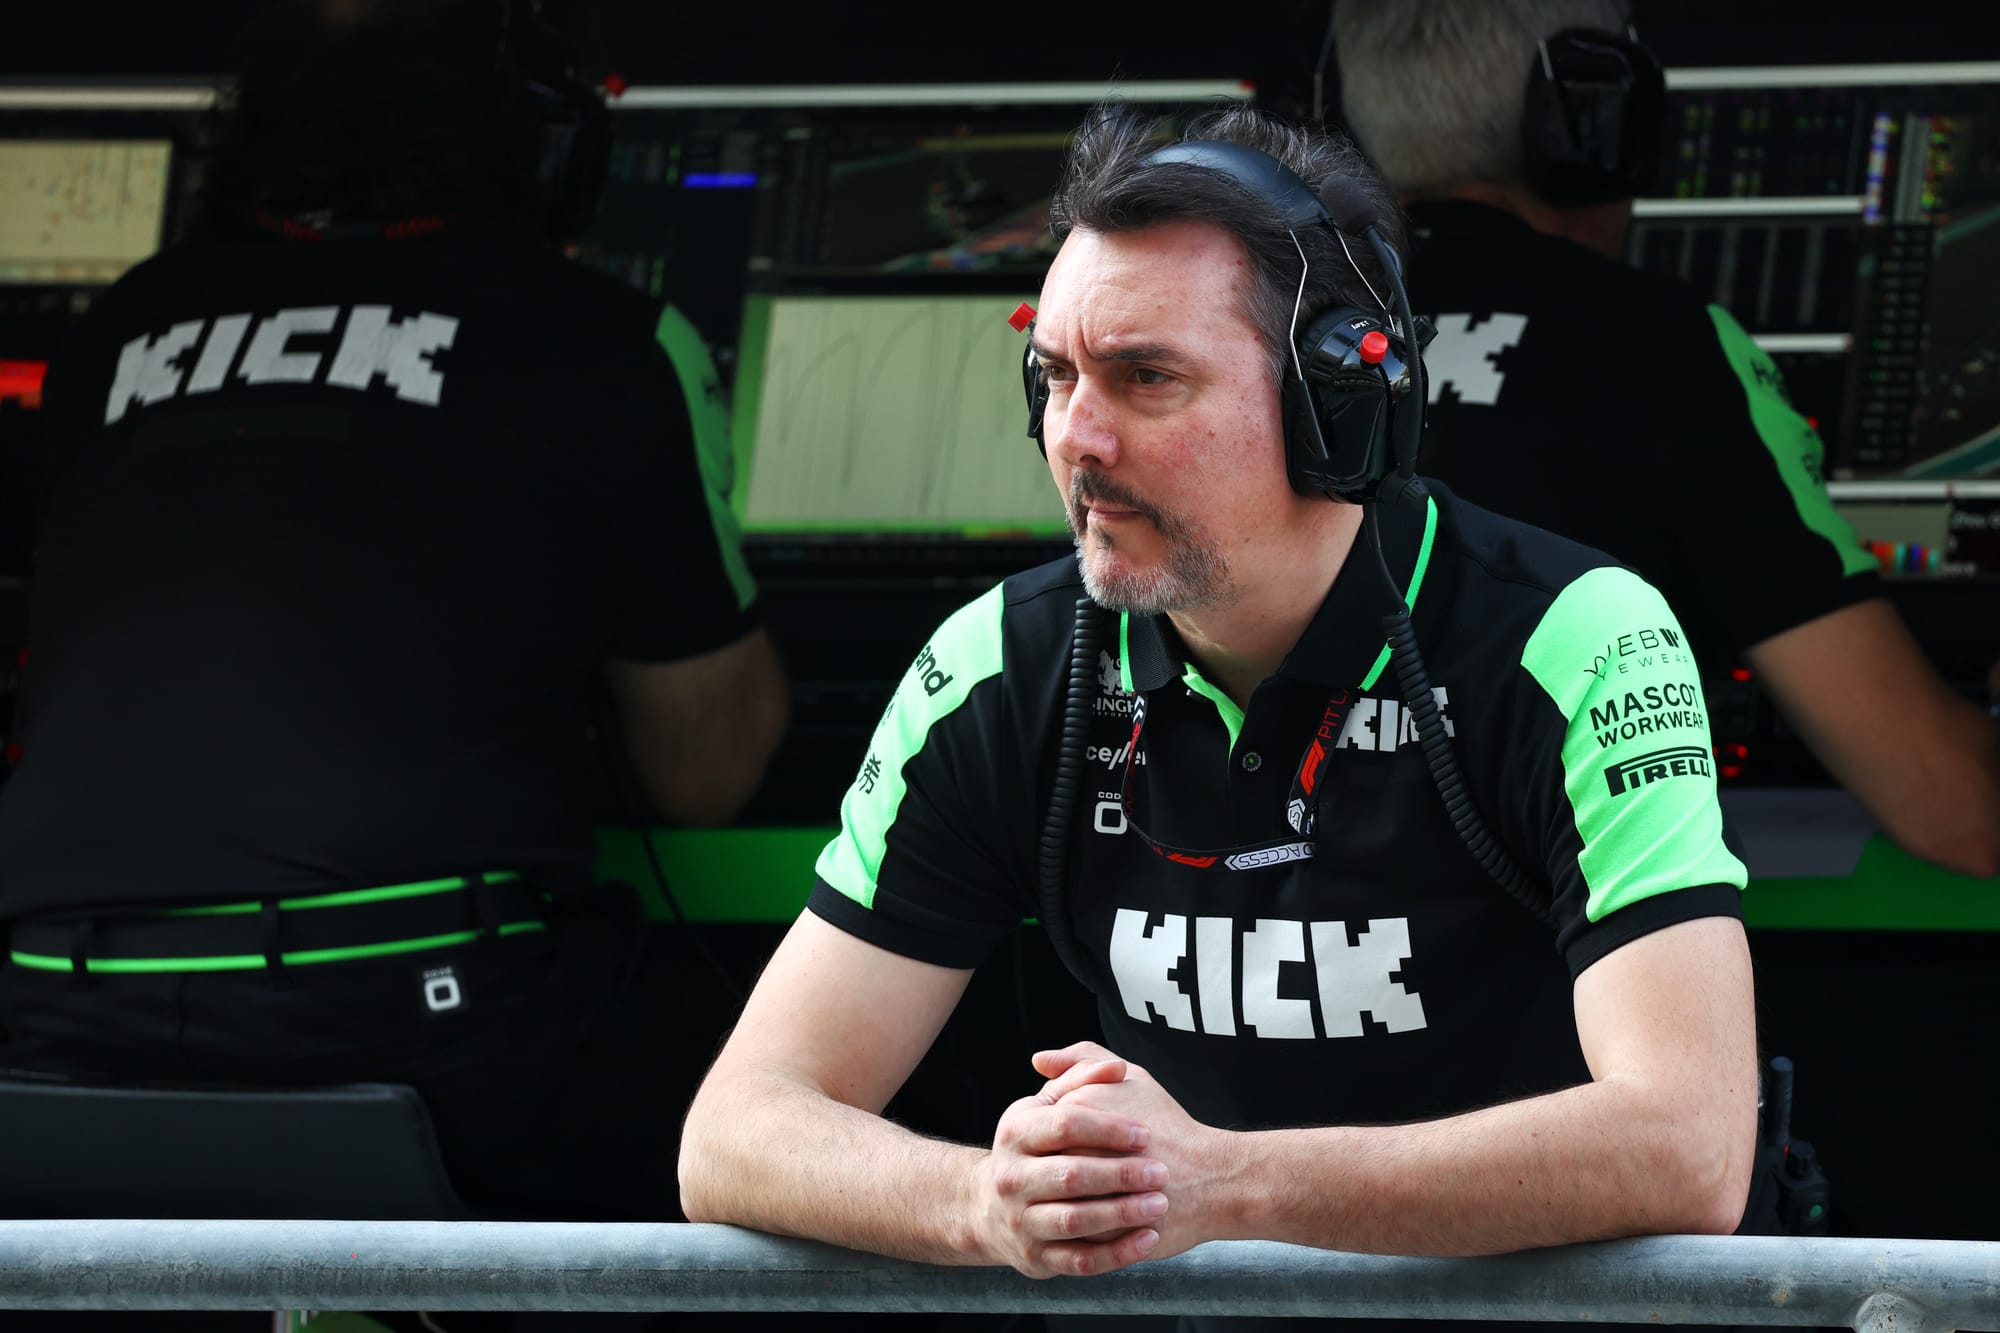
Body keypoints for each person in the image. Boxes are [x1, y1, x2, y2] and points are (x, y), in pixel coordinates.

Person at [679, 103, 1756, 1333]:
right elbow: (734, 1133)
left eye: (1145, 378)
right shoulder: (997, 661)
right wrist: (984, 1202)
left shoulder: (1576, 635)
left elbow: (1688, 1144)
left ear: (1335, 401)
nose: (1075, 439)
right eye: (1054, 377)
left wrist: (1222, 1185)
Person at [0, 0, 786, 1227]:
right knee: (803, 1083)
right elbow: (703, 775)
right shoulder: (605, 338)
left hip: (49, 1004)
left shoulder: (120, 328)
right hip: (425, 1022)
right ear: (549, 154)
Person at [1333, 0, 2000, 879]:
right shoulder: (1665, 348)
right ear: (1602, 129)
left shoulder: (1267, 344)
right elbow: (1957, 814)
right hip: (1567, 956)